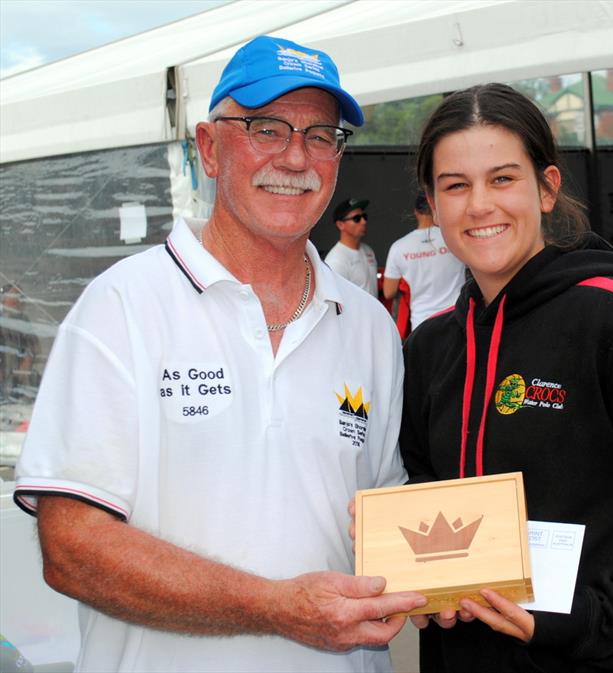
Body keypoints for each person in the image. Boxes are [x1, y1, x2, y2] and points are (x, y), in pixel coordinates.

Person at [13, 35, 426, 673]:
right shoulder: (122, 306)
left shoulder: (368, 324)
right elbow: (71, 549)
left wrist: (451, 579)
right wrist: (273, 605)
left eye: (322, 135)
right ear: (209, 147)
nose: (296, 157)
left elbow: (381, 522)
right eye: (266, 128)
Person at [400, 83, 613, 673]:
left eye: (503, 178)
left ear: (547, 188)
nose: (479, 204)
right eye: (456, 185)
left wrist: (593, 622)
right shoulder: (432, 347)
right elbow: (420, 482)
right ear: (434, 207)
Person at [383, 193, 466, 331]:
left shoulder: (399, 247)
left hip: (422, 323)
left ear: (416, 212)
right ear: (436, 208)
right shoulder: (454, 238)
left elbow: (388, 292)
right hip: (457, 317)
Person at [325, 197, 379, 296]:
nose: (363, 222)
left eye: (364, 216)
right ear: (340, 225)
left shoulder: (368, 250)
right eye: (356, 219)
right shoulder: (335, 260)